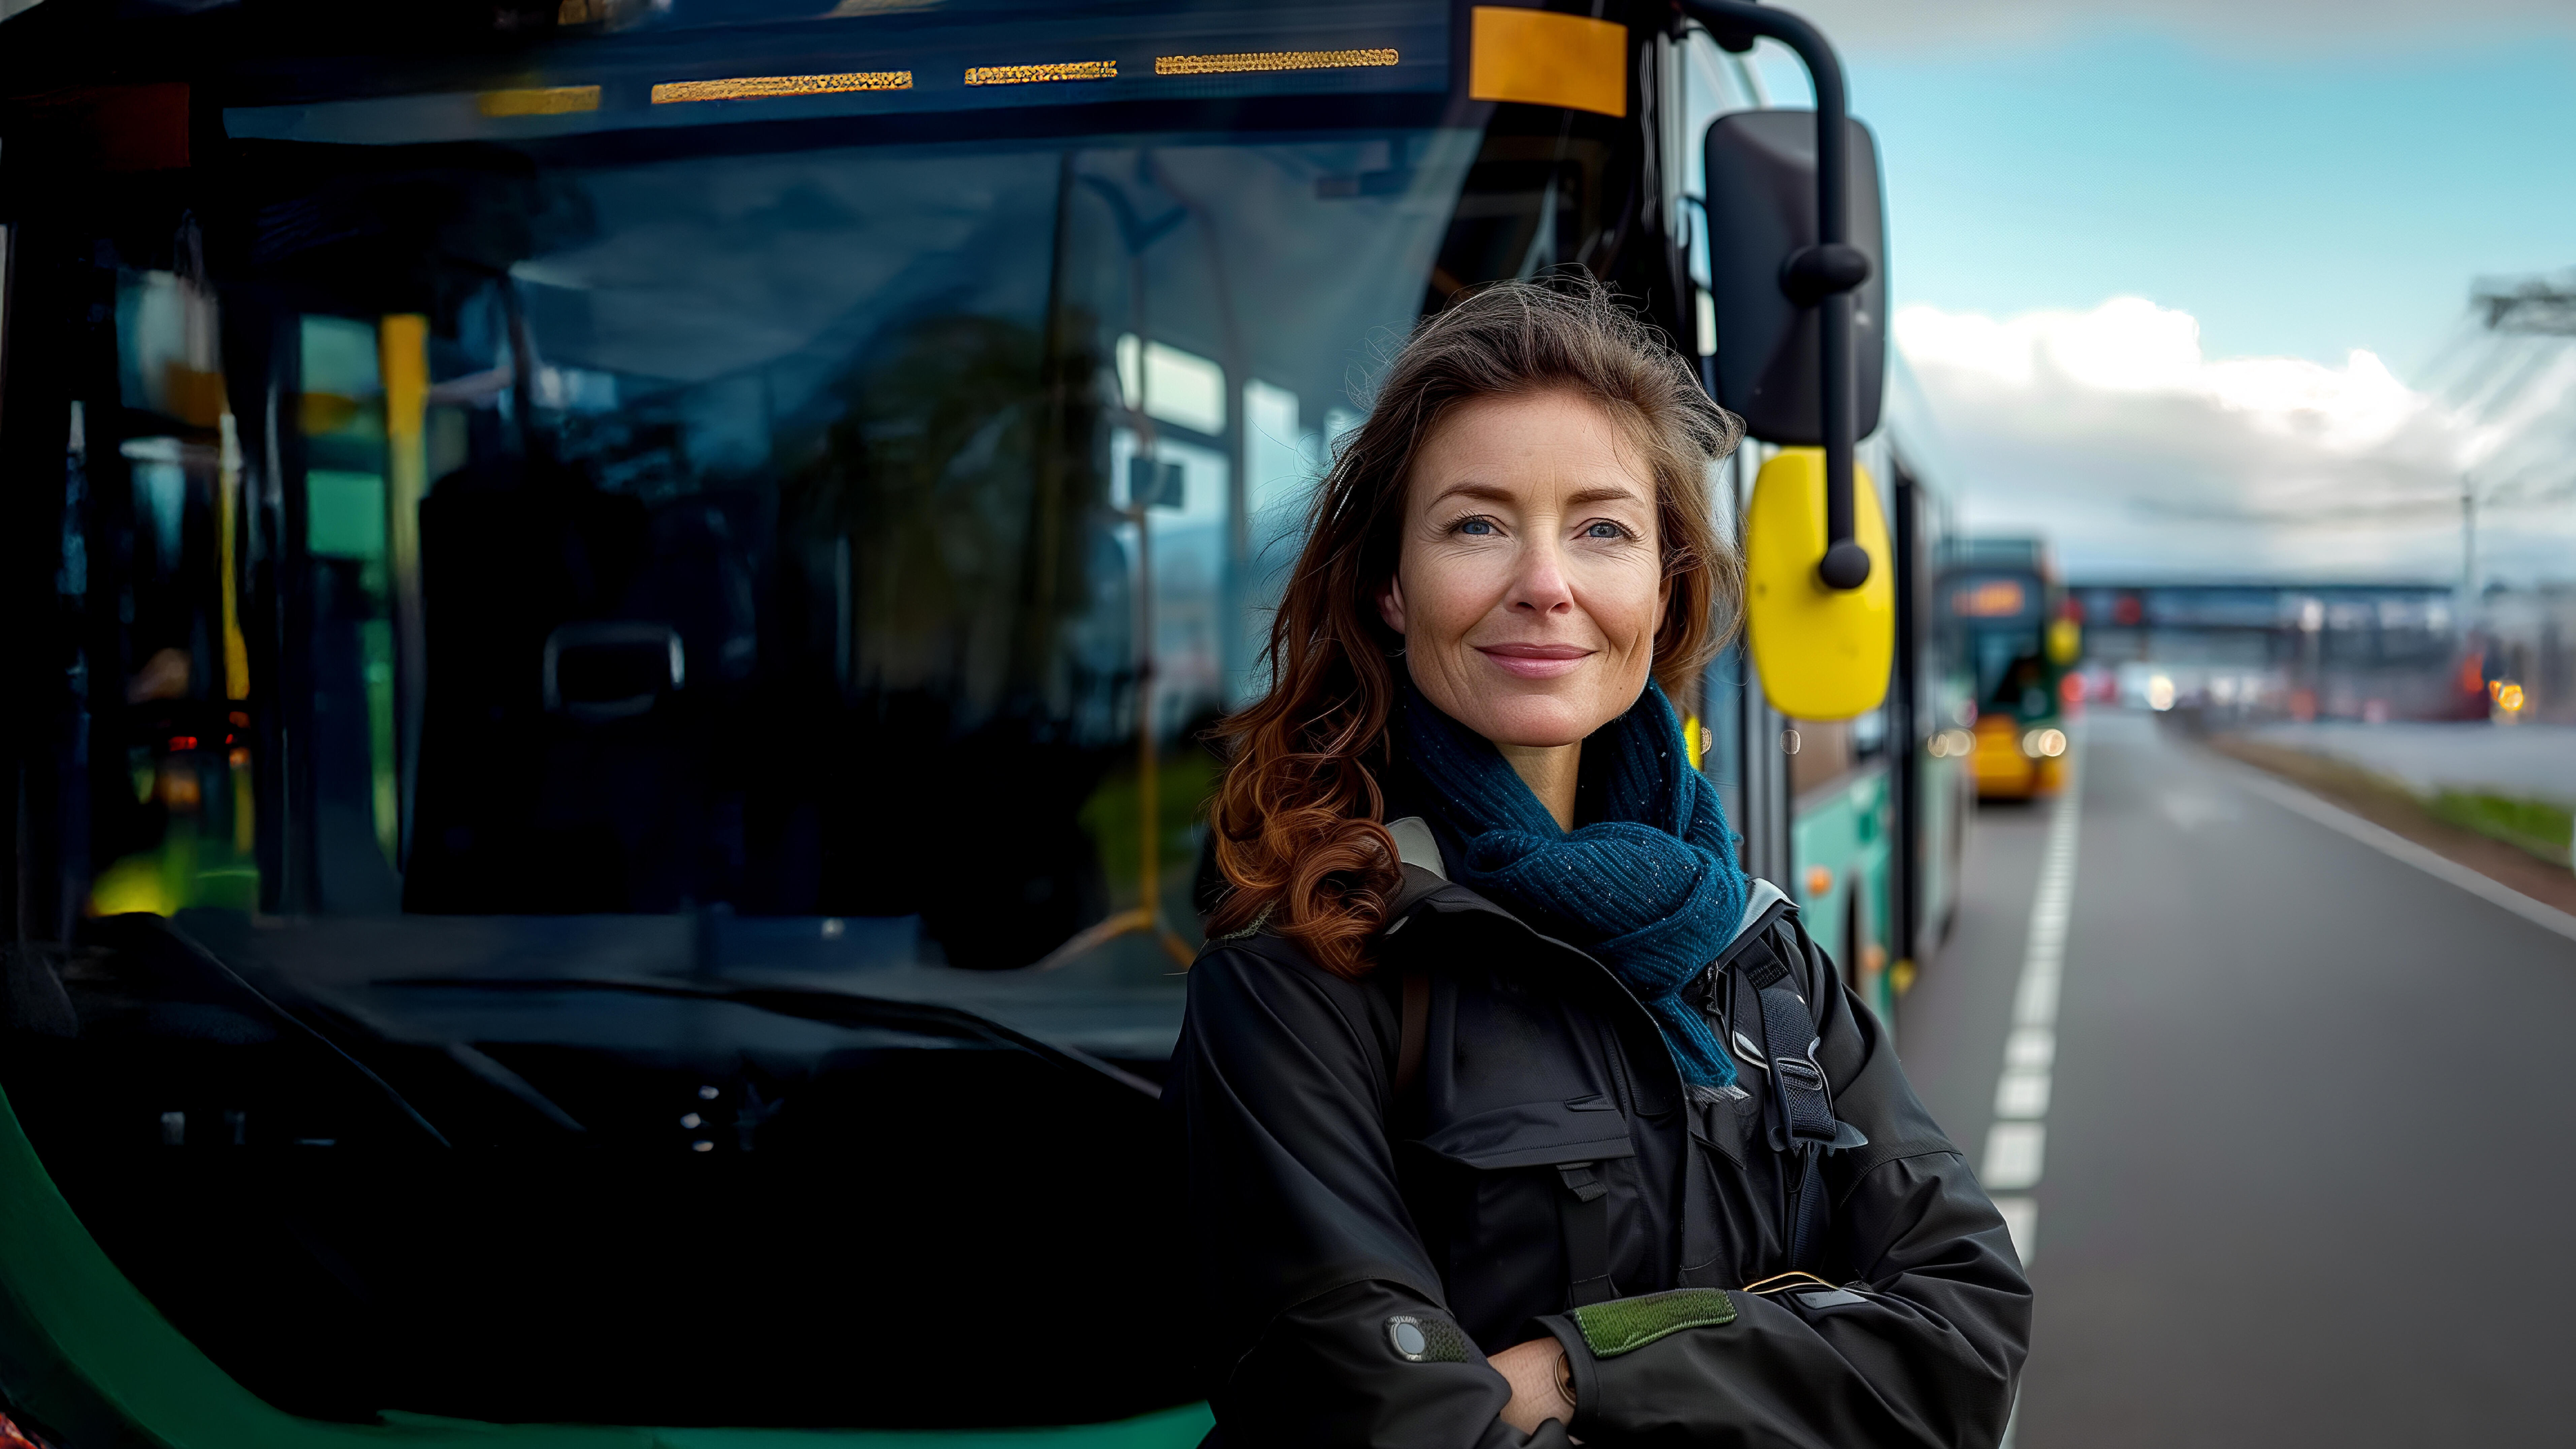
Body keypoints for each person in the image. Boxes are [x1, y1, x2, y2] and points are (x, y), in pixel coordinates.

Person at [1170, 279, 2030, 1447]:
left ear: (1664, 587)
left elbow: (1966, 1334)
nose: (1545, 583)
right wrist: (1785, 1342)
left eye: (1603, 529)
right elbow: (1389, 1423)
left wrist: (1579, 1373)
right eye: (1477, 524)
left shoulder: (1754, 947)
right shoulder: (1300, 979)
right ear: (1389, 589)